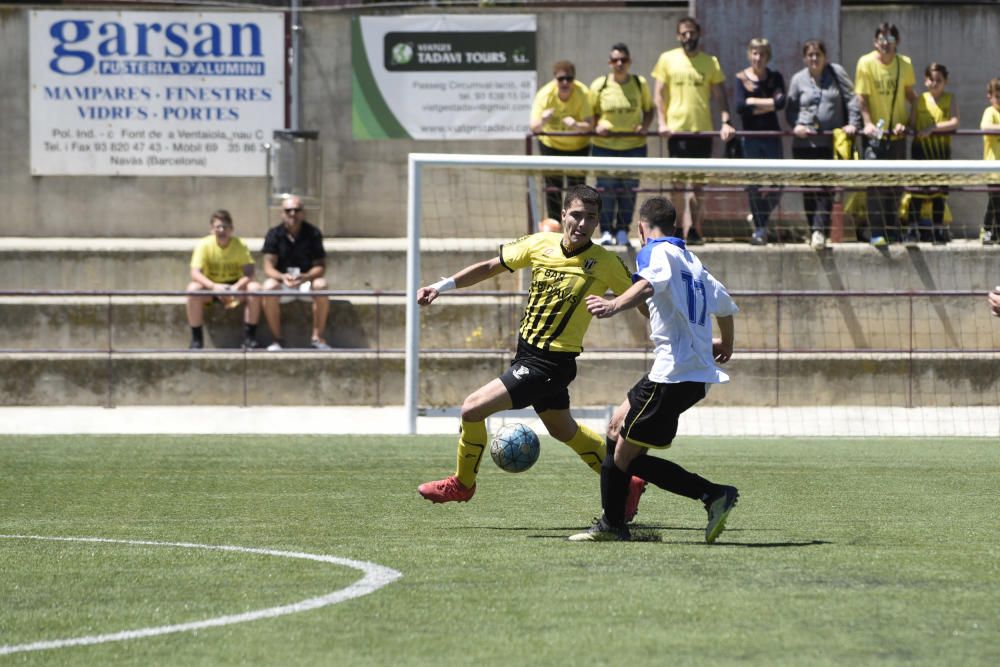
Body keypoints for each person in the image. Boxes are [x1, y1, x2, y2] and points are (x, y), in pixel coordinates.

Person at [416, 184, 647, 517]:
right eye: (577, 215)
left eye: (591, 218)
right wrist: (441, 286)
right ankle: (629, 482)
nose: (582, 224)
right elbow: (490, 266)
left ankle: (463, 484)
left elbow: (641, 298)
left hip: (550, 363)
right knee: (563, 430)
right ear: (563, 214)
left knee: (471, 409)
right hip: (526, 354)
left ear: (597, 223)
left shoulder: (606, 262)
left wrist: (669, 333)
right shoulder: (540, 243)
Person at [568, 196, 740, 543]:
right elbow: (725, 304)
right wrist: (726, 344)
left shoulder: (655, 252)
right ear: (675, 227)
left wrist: (614, 303)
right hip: (682, 372)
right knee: (616, 429)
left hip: (673, 375)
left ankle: (710, 495)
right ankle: (615, 521)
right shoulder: (692, 260)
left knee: (622, 457)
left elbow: (647, 283)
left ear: (641, 230)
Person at [651, 16, 736, 244]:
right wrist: (662, 122)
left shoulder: (711, 62)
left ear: (698, 34)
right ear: (679, 36)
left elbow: (720, 97)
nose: (688, 37)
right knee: (678, 187)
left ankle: (696, 230)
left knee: (699, 188)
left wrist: (726, 122)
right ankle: (676, 230)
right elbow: (658, 93)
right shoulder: (667, 59)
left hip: (703, 132)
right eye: (684, 33)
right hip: (677, 132)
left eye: (692, 32)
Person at [785, 39, 861, 250]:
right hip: (804, 143)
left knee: (826, 189)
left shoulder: (836, 73)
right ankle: (814, 230)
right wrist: (796, 125)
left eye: (818, 54)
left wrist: (852, 124)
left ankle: (820, 231)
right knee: (809, 190)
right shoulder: (798, 79)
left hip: (829, 142)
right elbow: (790, 110)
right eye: (810, 55)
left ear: (825, 56)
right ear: (804, 58)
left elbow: (852, 99)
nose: (814, 58)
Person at [854, 22, 917, 247]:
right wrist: (868, 123)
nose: (885, 44)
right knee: (875, 186)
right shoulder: (865, 63)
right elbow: (861, 97)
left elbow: (912, 97)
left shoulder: (904, 64)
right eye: (882, 39)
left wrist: (907, 124)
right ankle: (877, 232)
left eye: (890, 40)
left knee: (896, 186)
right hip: (875, 137)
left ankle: (894, 231)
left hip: (897, 137)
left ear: (897, 42)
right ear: (875, 42)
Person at [589, 43, 654, 246]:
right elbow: (590, 114)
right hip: (604, 147)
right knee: (605, 190)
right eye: (615, 60)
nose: (619, 64)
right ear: (609, 63)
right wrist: (597, 125)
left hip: (633, 147)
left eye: (623, 60)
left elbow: (649, 109)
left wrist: (644, 125)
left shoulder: (638, 83)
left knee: (629, 189)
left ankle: (623, 230)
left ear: (629, 62)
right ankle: (606, 230)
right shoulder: (599, 85)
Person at [734, 37, 786, 246]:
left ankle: (759, 218)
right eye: (755, 53)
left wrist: (753, 101)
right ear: (749, 54)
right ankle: (760, 228)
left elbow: (781, 102)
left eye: (762, 53)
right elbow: (739, 106)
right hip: (750, 138)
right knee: (753, 184)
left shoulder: (775, 77)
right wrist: (769, 103)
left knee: (778, 182)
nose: (758, 57)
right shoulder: (740, 78)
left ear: (768, 56)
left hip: (772, 136)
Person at [260, 196, 331, 350]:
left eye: (297, 210)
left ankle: (317, 339)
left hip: (306, 283)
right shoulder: (274, 234)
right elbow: (268, 267)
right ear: (282, 213)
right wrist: (282, 277)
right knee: (268, 286)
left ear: (303, 213)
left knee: (322, 284)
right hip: (284, 284)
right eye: (288, 210)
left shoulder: (313, 233)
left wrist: (306, 276)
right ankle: (277, 340)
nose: (293, 213)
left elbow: (320, 266)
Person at [186, 210, 262, 350]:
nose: (221, 230)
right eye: (218, 227)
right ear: (211, 230)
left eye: (225, 227)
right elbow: (195, 273)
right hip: (212, 288)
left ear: (231, 229)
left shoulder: (240, 245)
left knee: (255, 288)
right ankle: (196, 340)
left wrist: (236, 287)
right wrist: (213, 286)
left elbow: (250, 273)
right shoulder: (204, 245)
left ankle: (250, 338)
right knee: (193, 289)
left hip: (236, 288)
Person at [530, 60, 594, 221]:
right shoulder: (545, 95)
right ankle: (554, 224)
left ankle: (576, 222)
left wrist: (577, 125)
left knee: (577, 190)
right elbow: (534, 128)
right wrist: (543, 120)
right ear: (555, 79)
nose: (565, 82)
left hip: (577, 147)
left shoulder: (582, 93)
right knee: (553, 188)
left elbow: (590, 125)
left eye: (569, 79)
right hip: (551, 146)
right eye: (561, 79)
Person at [905, 63, 959, 245]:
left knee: (939, 194)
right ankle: (912, 230)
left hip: (941, 154)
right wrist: (904, 127)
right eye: (931, 79)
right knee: (918, 193)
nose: (934, 84)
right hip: (920, 153)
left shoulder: (950, 99)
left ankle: (938, 230)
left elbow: (954, 122)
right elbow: (911, 124)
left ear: (945, 82)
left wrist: (933, 128)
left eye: (939, 80)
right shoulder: (919, 100)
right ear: (925, 80)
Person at [980, 78, 1000, 245]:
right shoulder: (990, 112)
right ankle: (987, 230)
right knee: (994, 201)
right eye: (998, 96)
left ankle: (996, 233)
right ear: (990, 96)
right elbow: (986, 127)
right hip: (993, 168)